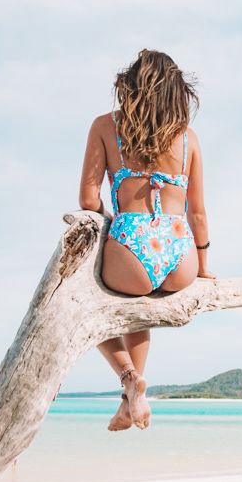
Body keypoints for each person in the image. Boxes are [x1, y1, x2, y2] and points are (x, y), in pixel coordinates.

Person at [78, 50, 215, 431]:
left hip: (131, 243)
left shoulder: (105, 126)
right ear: (176, 92)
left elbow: (89, 201)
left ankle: (127, 378)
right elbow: (198, 213)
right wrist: (203, 268)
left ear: (131, 85)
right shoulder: (188, 139)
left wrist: (114, 229)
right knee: (138, 309)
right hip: (179, 256)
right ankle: (131, 399)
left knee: (89, 309)